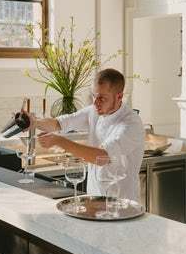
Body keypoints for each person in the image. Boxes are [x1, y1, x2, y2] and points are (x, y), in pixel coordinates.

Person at [32, 68, 145, 201]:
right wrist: (34, 122)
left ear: (119, 96)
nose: (95, 102)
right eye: (94, 96)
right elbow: (59, 123)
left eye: (102, 98)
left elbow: (102, 156)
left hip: (121, 203)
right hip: (94, 198)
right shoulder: (94, 111)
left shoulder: (131, 123)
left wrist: (60, 141)